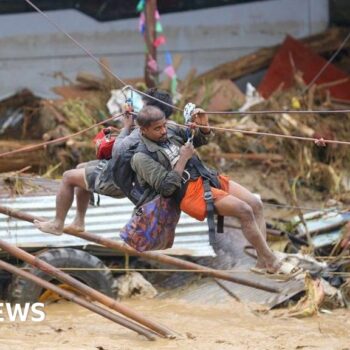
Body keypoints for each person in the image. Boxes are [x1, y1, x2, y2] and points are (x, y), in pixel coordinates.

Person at [131, 105, 283, 273]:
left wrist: (203, 127)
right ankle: (272, 260)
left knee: (255, 204)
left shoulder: (171, 129)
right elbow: (167, 188)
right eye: (157, 129)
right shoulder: (141, 157)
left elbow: (199, 140)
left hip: (206, 175)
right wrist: (183, 159)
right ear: (143, 130)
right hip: (188, 192)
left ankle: (262, 262)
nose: (163, 131)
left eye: (164, 125)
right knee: (244, 210)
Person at [34, 88, 173, 235]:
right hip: (127, 176)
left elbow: (119, 151)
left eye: (145, 107)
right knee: (81, 167)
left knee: (68, 177)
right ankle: (78, 222)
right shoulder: (163, 129)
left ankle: (57, 224)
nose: (142, 110)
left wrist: (126, 127)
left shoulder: (146, 131)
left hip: (117, 179)